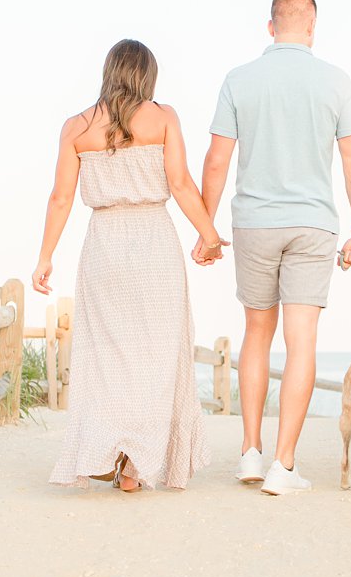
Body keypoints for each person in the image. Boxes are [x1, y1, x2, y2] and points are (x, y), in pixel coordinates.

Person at [197, 0, 351, 496]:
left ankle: (250, 453)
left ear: (270, 27)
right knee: (302, 342)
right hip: (312, 225)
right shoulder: (336, 82)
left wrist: (207, 229)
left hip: (253, 221)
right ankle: (283, 465)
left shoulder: (239, 80)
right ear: (312, 28)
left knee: (256, 334)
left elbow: (215, 161)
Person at [38, 39, 227, 492]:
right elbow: (180, 184)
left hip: (104, 245)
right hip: (154, 243)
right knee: (157, 355)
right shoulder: (163, 118)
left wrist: (45, 257)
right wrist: (209, 234)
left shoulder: (75, 128)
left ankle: (114, 449)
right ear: (147, 75)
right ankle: (137, 465)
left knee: (108, 356)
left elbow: (62, 198)